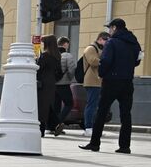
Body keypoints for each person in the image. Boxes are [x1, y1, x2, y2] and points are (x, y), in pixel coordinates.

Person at [82, 18, 143, 154]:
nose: (109, 31)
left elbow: (106, 60)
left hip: (111, 81)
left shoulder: (112, 42)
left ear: (114, 28)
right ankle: (125, 146)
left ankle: (95, 143)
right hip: (127, 81)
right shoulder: (134, 42)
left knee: (101, 112)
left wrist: (102, 73)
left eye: (110, 28)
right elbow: (137, 61)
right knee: (126, 114)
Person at [80, 31, 110, 131]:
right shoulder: (91, 48)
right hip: (92, 80)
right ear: (100, 39)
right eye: (106, 41)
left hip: (97, 81)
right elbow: (93, 61)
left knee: (95, 105)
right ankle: (88, 127)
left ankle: (92, 127)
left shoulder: (98, 49)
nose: (107, 43)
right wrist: (105, 59)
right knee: (91, 105)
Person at [35, 34, 60, 138]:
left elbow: (38, 69)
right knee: (47, 106)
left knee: (41, 107)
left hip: (42, 83)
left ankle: (41, 130)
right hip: (51, 83)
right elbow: (59, 72)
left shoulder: (45, 55)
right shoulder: (57, 56)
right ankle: (56, 124)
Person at [50, 36, 76, 136]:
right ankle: (57, 123)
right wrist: (70, 79)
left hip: (53, 85)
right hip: (64, 84)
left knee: (56, 106)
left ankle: (52, 127)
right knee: (69, 103)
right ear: (65, 44)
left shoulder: (52, 55)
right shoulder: (67, 56)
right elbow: (71, 70)